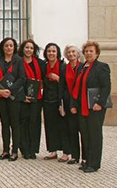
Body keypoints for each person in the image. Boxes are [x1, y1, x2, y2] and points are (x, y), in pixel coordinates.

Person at [70, 41, 111, 173]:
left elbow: (106, 87)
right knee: (85, 134)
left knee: (94, 135)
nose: (88, 53)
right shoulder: (83, 67)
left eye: (91, 51)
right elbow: (78, 87)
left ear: (97, 53)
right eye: (86, 51)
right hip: (83, 106)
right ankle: (86, 160)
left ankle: (94, 164)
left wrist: (100, 103)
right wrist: (74, 104)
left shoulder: (102, 67)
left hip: (95, 106)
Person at [0, 37, 26, 162]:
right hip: (1, 97)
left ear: (14, 47)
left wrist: (10, 90)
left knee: (15, 124)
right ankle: (5, 150)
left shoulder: (19, 60)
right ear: (2, 47)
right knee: (5, 124)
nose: (9, 48)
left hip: (14, 97)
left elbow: (22, 78)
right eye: (6, 46)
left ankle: (14, 150)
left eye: (11, 46)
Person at [18, 39, 44, 160]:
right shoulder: (18, 62)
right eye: (27, 47)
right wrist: (22, 95)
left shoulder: (39, 63)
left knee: (34, 123)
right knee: (23, 123)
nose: (29, 50)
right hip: (22, 97)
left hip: (36, 98)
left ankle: (32, 149)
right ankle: (24, 149)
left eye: (31, 48)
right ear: (23, 49)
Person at [42, 43, 66, 161]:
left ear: (57, 53)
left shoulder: (63, 66)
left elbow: (68, 83)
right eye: (49, 51)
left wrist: (58, 79)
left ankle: (66, 152)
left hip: (59, 99)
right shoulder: (44, 66)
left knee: (63, 126)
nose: (51, 53)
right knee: (49, 125)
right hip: (47, 100)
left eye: (53, 51)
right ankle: (53, 151)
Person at [60, 44, 82, 165]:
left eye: (73, 52)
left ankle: (85, 157)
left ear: (78, 53)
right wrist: (61, 103)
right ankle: (74, 156)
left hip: (80, 102)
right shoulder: (64, 68)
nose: (71, 54)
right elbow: (61, 87)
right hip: (68, 102)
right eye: (69, 52)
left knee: (83, 131)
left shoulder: (83, 67)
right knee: (72, 130)